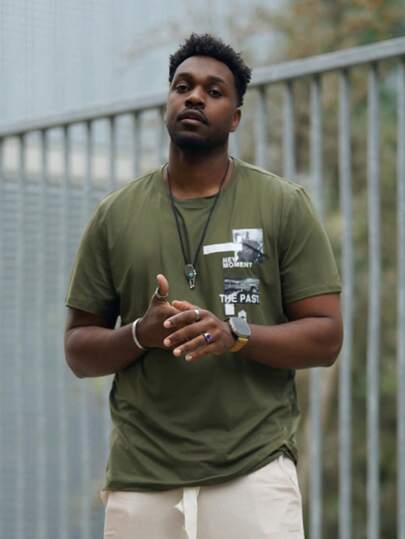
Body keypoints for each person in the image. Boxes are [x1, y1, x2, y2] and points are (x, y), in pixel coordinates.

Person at [64, 33, 343, 539]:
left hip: (253, 470)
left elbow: (326, 337)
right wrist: (140, 334)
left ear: (235, 117)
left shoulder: (282, 204)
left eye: (213, 91)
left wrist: (235, 334)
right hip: (141, 476)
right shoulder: (115, 215)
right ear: (167, 102)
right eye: (182, 86)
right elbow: (78, 350)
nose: (194, 97)